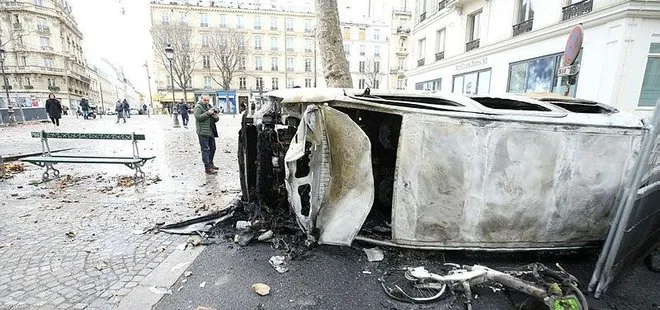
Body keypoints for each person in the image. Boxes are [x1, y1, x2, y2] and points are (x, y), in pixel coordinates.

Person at [194, 95, 219, 175]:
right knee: (205, 150)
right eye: (205, 100)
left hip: (210, 130)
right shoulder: (198, 107)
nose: (207, 102)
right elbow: (198, 117)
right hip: (203, 132)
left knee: (213, 148)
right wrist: (208, 113)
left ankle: (211, 164)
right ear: (201, 99)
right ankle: (207, 168)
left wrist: (215, 117)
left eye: (208, 100)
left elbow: (214, 119)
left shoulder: (209, 106)